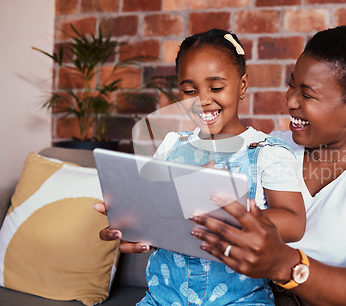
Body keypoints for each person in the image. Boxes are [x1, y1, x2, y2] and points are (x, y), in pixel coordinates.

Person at [98, 26, 346, 305]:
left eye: (308, 94)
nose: (290, 101)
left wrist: (284, 264)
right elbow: (188, 213)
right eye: (291, 84)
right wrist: (154, 228)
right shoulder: (267, 148)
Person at [99, 28, 305, 305]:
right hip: (164, 296)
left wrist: (228, 216)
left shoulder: (268, 152)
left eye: (216, 87)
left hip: (240, 298)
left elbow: (294, 222)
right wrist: (131, 219)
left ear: (242, 85)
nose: (203, 100)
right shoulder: (173, 145)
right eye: (189, 90)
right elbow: (155, 208)